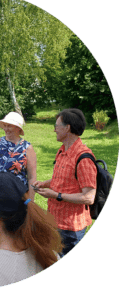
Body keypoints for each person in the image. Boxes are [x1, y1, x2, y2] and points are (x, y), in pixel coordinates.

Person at [33, 108, 97, 258]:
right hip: (55, 221)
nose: (54, 130)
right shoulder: (62, 150)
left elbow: (89, 197)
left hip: (71, 228)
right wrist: (45, 183)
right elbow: (63, 179)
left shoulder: (84, 158)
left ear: (67, 128)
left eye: (56, 126)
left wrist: (56, 195)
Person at [0, 111, 37, 254]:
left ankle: (12, 259)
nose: (6, 128)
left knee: (13, 231)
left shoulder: (27, 148)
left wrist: (30, 202)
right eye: (5, 125)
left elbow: (32, 177)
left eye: (10, 126)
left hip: (16, 198)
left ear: (19, 129)